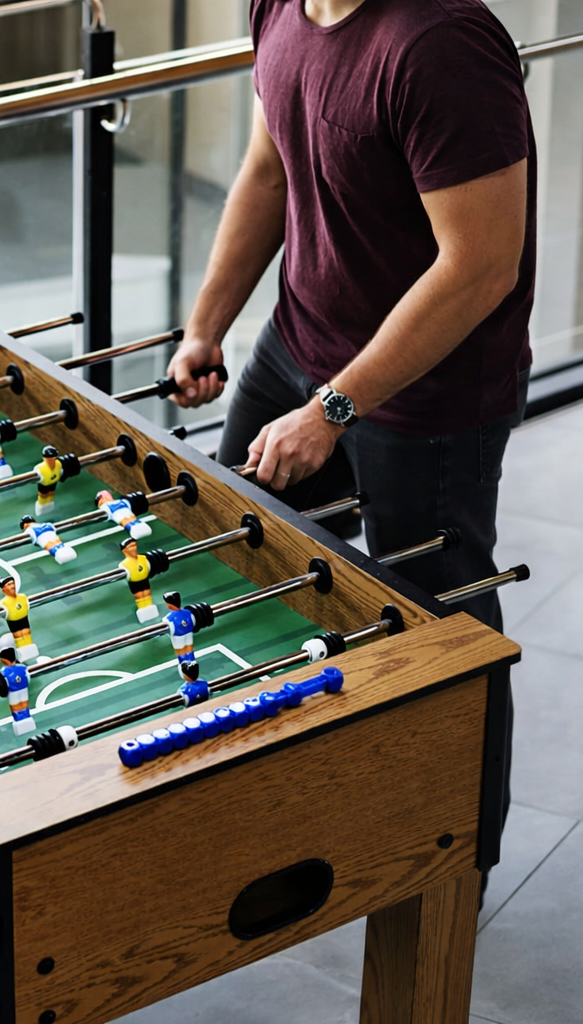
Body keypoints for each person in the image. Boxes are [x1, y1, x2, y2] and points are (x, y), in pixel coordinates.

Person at [163, 0, 531, 885]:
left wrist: (333, 411)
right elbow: (269, 169)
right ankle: (279, 810)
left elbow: (481, 263)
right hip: (299, 344)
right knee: (234, 563)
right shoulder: (279, 5)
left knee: (441, 637)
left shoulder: (439, 46)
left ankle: (456, 863)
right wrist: (206, 325)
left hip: (429, 402)